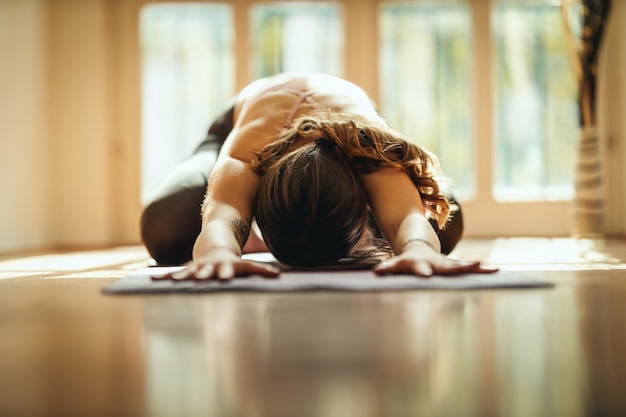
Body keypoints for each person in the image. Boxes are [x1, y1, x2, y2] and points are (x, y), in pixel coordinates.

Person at [141, 73, 496, 279]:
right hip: (235, 124)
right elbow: (222, 213)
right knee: (165, 228)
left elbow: (408, 217)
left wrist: (417, 247)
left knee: (445, 220)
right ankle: (263, 233)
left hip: (343, 126)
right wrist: (218, 252)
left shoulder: (364, 145)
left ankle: (356, 220)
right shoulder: (250, 149)